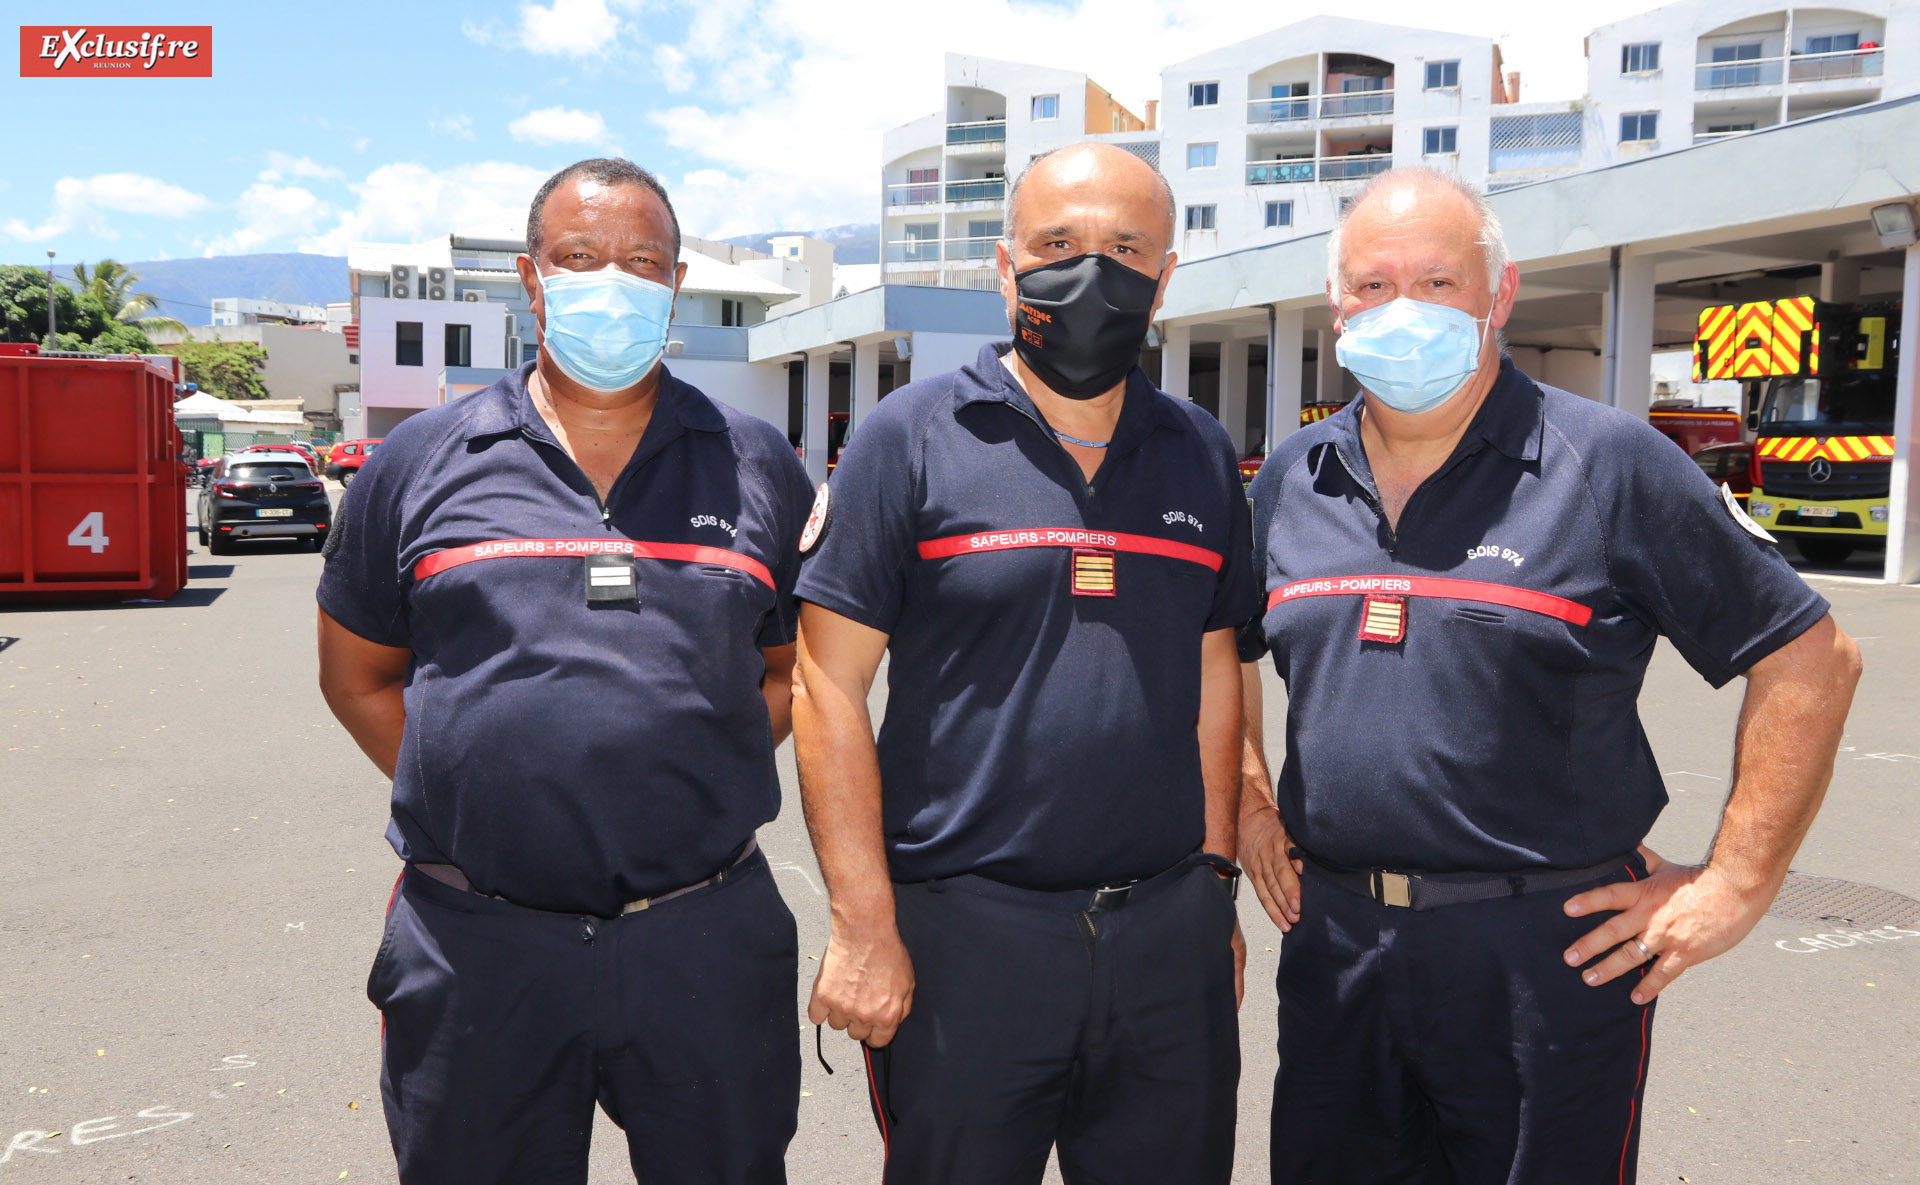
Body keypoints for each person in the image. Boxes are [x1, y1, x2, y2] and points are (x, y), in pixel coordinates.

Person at [1237, 167, 1862, 1185]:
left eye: (1439, 283)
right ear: (1336, 304)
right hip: (1337, 944)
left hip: (1547, 956)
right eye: (1373, 284)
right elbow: (1215, 654)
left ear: (1501, 293)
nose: (1404, 310)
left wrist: (1737, 885)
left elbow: (1812, 658)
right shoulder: (1292, 482)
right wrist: (1251, 806)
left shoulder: (1610, 463)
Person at [315, 158, 811, 1185]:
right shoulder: (419, 460)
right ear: (531, 279)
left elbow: (788, 670)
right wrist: (478, 790)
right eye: (580, 258)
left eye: (642, 262)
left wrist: (690, 755)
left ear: (676, 285)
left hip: (705, 940)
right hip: (475, 944)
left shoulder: (757, 463)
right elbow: (358, 677)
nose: (612, 284)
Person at [791, 141, 1259, 1185]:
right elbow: (825, 684)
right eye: (1058, 245)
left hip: (1164, 937)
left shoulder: (1198, 453)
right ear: (1006, 270)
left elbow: (1218, 671)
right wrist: (865, 924)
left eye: (1125, 247)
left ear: (1166, 276)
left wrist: (1214, 889)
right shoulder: (907, 438)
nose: (1090, 271)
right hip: (968, 941)